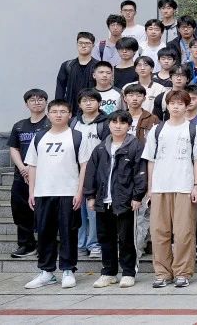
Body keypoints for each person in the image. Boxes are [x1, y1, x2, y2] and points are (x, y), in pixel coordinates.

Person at [22, 100, 93, 290]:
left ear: (70, 114)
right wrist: (32, 192)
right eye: (54, 111)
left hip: (68, 192)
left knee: (69, 232)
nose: (58, 114)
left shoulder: (77, 136)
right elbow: (32, 165)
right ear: (48, 114)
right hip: (43, 192)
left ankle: (68, 270)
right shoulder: (39, 136)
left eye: (63, 111)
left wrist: (80, 192)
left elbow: (84, 166)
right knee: (45, 232)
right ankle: (46, 272)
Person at [144, 90, 197, 288]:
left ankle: (183, 272)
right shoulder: (157, 130)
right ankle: (162, 273)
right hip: (160, 187)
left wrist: (196, 186)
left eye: (180, 103)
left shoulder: (194, 130)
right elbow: (151, 160)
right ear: (167, 105)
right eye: (172, 103)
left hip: (184, 186)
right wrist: (150, 188)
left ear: (187, 106)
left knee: (184, 232)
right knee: (159, 231)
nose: (176, 107)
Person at [83, 110, 146, 288]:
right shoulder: (100, 148)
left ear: (129, 126)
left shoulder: (135, 146)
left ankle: (128, 272)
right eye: (114, 122)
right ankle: (108, 272)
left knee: (126, 238)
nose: (118, 126)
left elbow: (140, 173)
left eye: (122, 123)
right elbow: (91, 173)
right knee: (105, 238)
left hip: (126, 201)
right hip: (103, 201)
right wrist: (90, 195)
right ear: (109, 124)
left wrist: (137, 196)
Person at [9, 89, 51, 259]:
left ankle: (45, 244)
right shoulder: (19, 126)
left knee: (45, 211)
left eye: (40, 99)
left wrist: (34, 168)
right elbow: (14, 148)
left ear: (46, 102)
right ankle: (26, 244)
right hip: (22, 177)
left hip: (44, 175)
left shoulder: (51, 124)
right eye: (32, 100)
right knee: (21, 210)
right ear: (26, 104)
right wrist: (22, 167)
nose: (37, 102)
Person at [56, 33, 97, 105]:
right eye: (80, 43)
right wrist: (59, 105)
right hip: (71, 106)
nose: (83, 46)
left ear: (93, 45)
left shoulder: (98, 66)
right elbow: (60, 88)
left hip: (91, 106)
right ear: (76, 44)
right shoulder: (67, 65)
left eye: (87, 43)